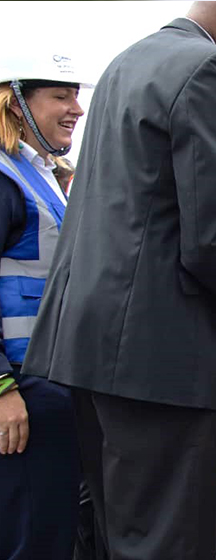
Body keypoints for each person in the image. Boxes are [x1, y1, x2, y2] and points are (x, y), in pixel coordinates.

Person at [20, 3, 216, 559]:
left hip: (87, 350)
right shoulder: (214, 70)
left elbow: (146, 209)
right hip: (157, 360)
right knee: (167, 543)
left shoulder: (127, 63)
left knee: (119, 537)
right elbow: (208, 239)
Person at [0, 50, 87, 560]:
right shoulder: (7, 179)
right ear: (15, 104)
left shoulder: (38, 174)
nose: (75, 107)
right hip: (21, 393)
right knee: (28, 539)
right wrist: (3, 390)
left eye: (76, 94)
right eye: (60, 95)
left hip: (47, 387)